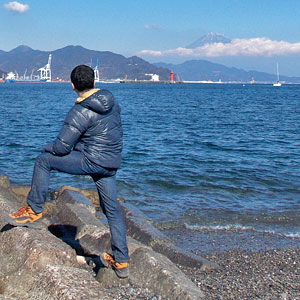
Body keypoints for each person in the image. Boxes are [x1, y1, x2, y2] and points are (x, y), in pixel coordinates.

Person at [7, 65, 130, 278]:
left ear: (72, 86)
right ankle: (121, 262)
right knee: (112, 211)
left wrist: (47, 147)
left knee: (44, 161)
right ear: (93, 82)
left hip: (91, 160)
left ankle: (34, 210)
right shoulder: (111, 101)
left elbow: (62, 148)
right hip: (110, 163)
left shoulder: (80, 110)